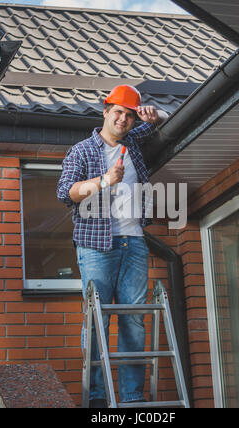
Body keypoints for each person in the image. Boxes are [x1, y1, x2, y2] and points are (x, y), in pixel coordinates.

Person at [57, 85, 168, 408]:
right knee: (98, 319)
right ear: (105, 112)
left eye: (129, 115)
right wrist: (103, 181)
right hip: (96, 245)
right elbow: (66, 193)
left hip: (134, 242)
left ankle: (133, 398)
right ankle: (97, 398)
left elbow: (164, 120)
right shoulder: (82, 151)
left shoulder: (133, 141)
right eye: (117, 112)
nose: (123, 119)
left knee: (133, 318)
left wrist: (155, 112)